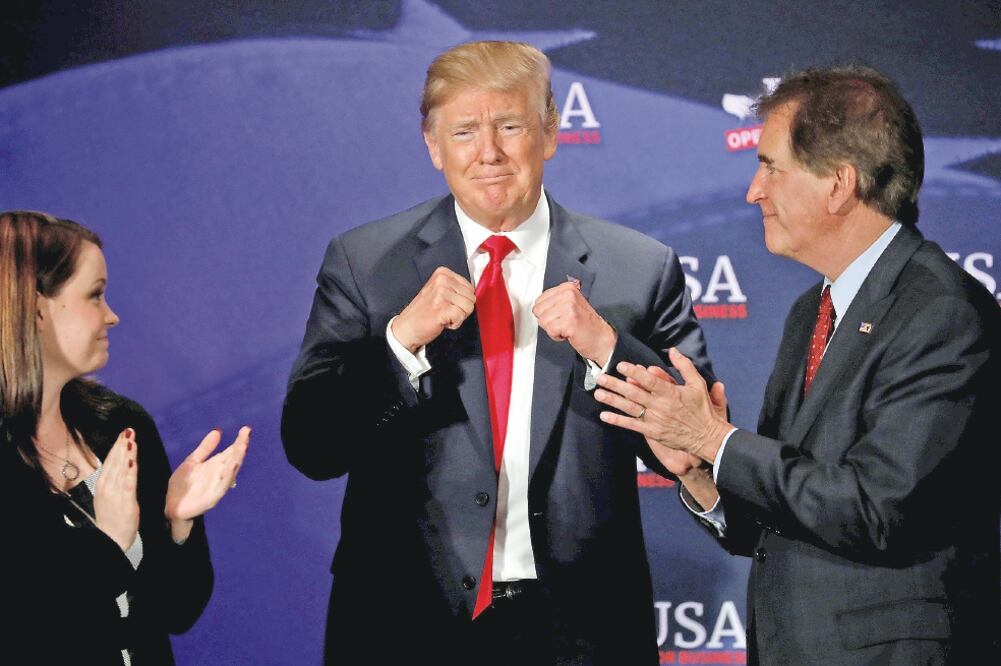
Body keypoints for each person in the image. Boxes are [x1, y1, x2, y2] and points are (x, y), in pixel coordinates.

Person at [281, 40, 715, 664]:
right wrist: (400, 343)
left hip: (579, 631)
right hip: (402, 625)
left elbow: (693, 446)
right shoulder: (365, 264)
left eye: (509, 126)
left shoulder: (639, 269)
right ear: (433, 146)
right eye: (464, 131)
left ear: (549, 132)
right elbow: (312, 444)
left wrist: (607, 348)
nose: (488, 152)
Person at [594, 65, 1001, 664]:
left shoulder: (941, 312)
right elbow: (786, 520)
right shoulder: (813, 309)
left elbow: (877, 508)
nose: (754, 191)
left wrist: (717, 438)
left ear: (838, 184)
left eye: (770, 167)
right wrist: (701, 468)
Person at [1, 210, 250, 664]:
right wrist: (110, 545)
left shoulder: (120, 426)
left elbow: (178, 610)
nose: (112, 316)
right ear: (35, 309)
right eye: (94, 295)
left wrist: (178, 521)